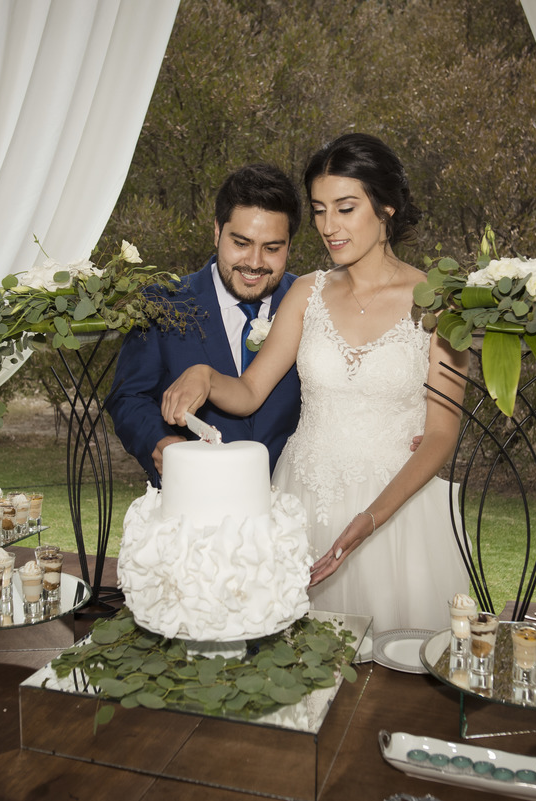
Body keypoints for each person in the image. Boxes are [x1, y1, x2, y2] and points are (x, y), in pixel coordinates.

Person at [162, 134, 470, 632]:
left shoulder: (440, 303)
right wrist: (205, 377)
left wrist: (367, 522)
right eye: (320, 210)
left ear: (386, 207)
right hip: (301, 499)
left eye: (345, 209)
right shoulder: (306, 292)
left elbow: (440, 434)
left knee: (397, 678)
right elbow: (248, 393)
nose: (329, 227)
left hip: (396, 511)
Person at [108, 163, 304, 486]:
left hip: (290, 508)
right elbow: (126, 397)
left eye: (271, 248)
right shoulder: (163, 303)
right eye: (241, 243)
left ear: (289, 246)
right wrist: (158, 442)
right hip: (193, 499)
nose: (254, 263)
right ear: (217, 231)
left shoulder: (310, 306)